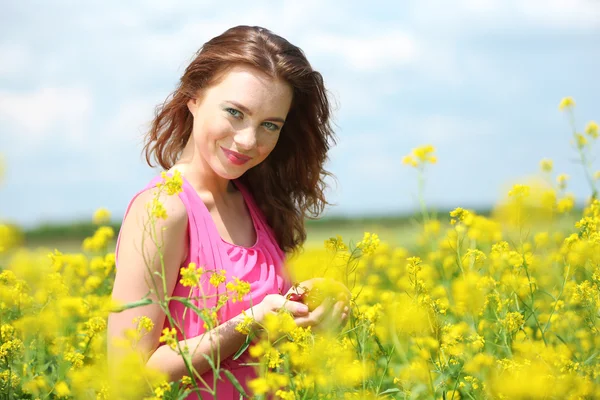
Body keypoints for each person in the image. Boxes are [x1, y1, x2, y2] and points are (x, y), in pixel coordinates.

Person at [107, 25, 349, 399]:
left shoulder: (256, 201)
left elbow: (262, 361)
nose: (249, 141)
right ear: (193, 97)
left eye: (270, 125)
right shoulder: (163, 210)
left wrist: (306, 309)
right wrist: (251, 323)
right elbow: (128, 374)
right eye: (235, 113)